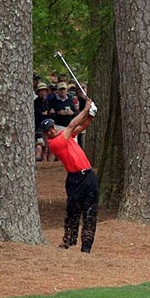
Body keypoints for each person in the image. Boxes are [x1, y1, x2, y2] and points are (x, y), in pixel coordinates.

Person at [41, 98, 98, 254]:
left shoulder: (66, 136)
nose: (52, 131)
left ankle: (86, 247)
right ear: (46, 135)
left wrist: (91, 114)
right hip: (75, 180)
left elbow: (83, 125)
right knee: (72, 212)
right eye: (49, 131)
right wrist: (85, 109)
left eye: (52, 128)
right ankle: (68, 241)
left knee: (90, 212)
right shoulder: (55, 143)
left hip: (89, 176)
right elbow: (72, 125)